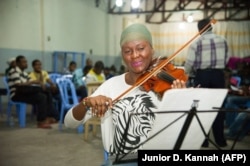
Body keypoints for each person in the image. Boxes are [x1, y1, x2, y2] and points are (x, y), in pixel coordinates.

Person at [64, 23, 186, 162]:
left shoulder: (166, 85)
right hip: (123, 161)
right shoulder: (110, 86)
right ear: (122, 56)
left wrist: (181, 101)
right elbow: (69, 122)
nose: (135, 55)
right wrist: (86, 103)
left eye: (141, 48)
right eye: (128, 51)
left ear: (152, 50)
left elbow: (183, 132)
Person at [184, 18, 230, 147]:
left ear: (199, 30)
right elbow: (227, 59)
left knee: (202, 109)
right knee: (219, 108)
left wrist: (192, 74)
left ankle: (203, 142)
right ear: (211, 27)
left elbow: (189, 65)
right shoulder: (223, 40)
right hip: (218, 76)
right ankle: (220, 141)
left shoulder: (196, 43)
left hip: (202, 76)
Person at [7, 55, 58, 129]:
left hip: (24, 92)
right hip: (16, 94)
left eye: (26, 62)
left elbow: (32, 82)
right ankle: (42, 120)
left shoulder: (24, 73)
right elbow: (18, 85)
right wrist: (35, 82)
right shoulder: (14, 71)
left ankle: (45, 118)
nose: (26, 64)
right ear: (17, 63)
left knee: (42, 96)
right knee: (44, 91)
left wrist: (39, 83)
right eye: (23, 62)